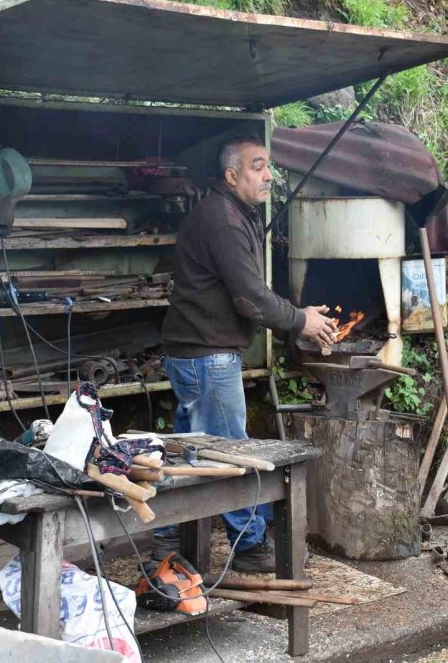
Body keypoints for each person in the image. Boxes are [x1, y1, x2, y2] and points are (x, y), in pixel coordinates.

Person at [156, 137, 336, 572]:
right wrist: (299, 321)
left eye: (269, 166)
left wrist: (298, 314)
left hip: (195, 352)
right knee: (231, 452)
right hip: (207, 356)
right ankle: (249, 545)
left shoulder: (235, 213)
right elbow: (250, 297)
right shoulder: (224, 221)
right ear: (231, 175)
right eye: (258, 166)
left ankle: (168, 533)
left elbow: (251, 289)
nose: (269, 175)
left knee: (190, 453)